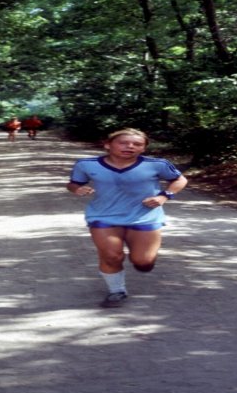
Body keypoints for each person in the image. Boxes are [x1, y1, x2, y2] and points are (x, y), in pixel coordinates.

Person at [67, 128, 188, 308]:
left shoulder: (157, 164)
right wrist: (77, 189)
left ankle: (143, 260)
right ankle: (117, 291)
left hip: (144, 216)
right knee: (111, 256)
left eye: (137, 144)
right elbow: (73, 183)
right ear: (108, 145)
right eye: (123, 143)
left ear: (143, 148)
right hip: (103, 215)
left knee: (143, 262)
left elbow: (180, 180)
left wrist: (164, 196)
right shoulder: (86, 164)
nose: (130, 146)